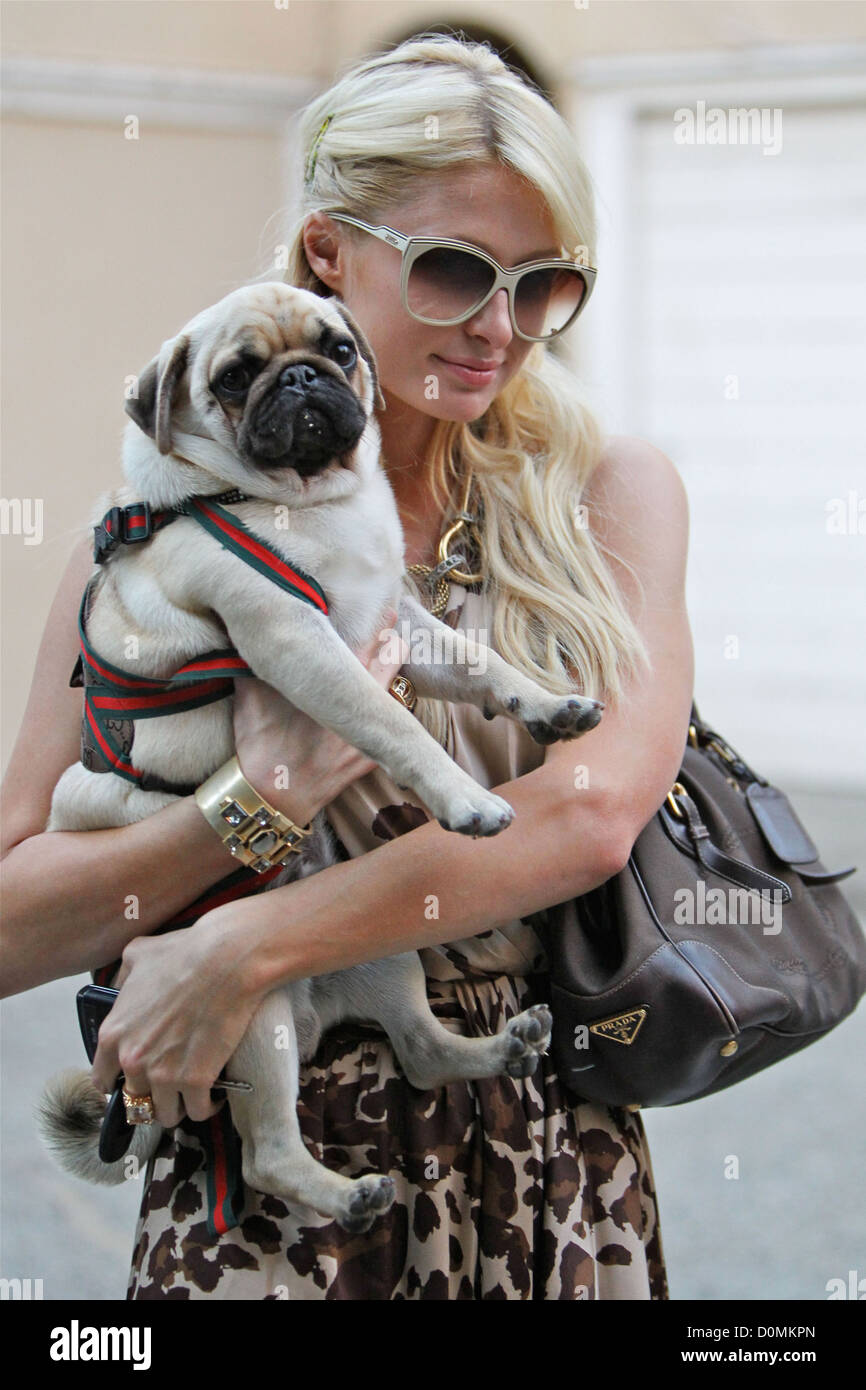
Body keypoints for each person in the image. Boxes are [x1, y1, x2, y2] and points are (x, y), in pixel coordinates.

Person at [0, 33, 693, 1299]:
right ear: (330, 249)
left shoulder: (604, 491)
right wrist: (253, 805)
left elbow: (587, 815)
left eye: (544, 286)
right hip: (262, 1182)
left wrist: (238, 947)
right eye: (452, 270)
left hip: (542, 1151)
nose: (500, 329)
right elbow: (10, 911)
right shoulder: (156, 548)